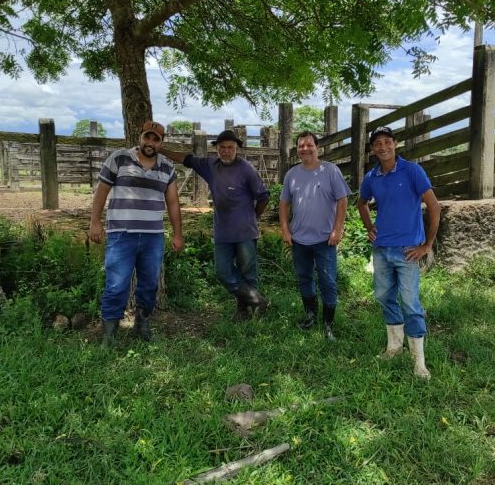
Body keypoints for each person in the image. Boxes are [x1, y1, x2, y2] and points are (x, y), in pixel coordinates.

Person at [90, 120, 184, 347]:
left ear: (161, 142)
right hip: (122, 234)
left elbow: (172, 203)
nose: (150, 142)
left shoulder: (167, 168)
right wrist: (94, 222)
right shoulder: (119, 159)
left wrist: (177, 234)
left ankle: (142, 325)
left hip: (153, 236)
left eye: (156, 139)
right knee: (116, 284)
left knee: (149, 283)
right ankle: (109, 333)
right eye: (147, 137)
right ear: (140, 137)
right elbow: (101, 192)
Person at [357, 126, 440, 379]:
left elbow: (434, 206)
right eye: (377, 144)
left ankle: (419, 362)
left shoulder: (412, 170)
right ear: (372, 149)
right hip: (381, 249)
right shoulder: (372, 177)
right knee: (384, 297)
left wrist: (427, 245)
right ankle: (394, 347)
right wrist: (370, 227)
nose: (382, 147)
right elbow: (361, 202)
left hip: (408, 251)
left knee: (411, 303)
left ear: (395, 144)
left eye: (387, 142)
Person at [161, 130, 270, 321]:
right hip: (223, 232)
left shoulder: (246, 169)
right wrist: (161, 149)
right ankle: (257, 300)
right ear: (217, 149)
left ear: (236, 149)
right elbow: (185, 158)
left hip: (245, 232)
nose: (226, 151)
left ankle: (244, 312)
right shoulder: (210, 166)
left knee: (248, 272)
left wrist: (254, 216)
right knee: (223, 272)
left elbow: (263, 197)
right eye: (222, 147)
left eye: (230, 147)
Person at [279, 131, 351, 342]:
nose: (305, 149)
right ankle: (310, 314)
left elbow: (342, 200)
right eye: (301, 146)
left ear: (317, 147)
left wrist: (338, 230)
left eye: (309, 145)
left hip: (325, 240)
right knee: (304, 277)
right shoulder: (292, 174)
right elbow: (284, 203)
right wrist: (285, 228)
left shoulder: (330, 171)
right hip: (299, 239)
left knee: (328, 281)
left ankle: (328, 323)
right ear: (297, 149)